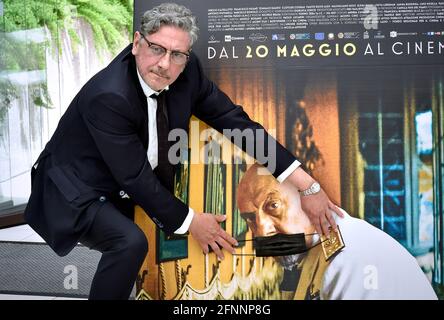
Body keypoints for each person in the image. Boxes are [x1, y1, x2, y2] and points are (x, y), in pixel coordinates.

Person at [24, 3, 341, 300]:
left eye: (177, 54)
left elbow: (236, 124)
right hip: (76, 187)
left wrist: (306, 184)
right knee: (130, 243)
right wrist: (193, 222)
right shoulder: (109, 96)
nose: (164, 64)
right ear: (137, 43)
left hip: (121, 183)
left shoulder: (187, 73)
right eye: (156, 49)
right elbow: (135, 177)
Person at [237, 163, 438, 300]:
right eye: (250, 219)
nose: (262, 232)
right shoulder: (318, 247)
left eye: (273, 206)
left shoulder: (348, 256)